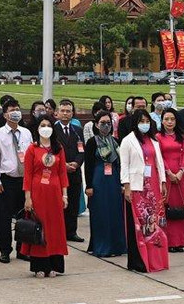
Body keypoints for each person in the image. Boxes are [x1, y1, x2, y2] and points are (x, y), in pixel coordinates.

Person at [119, 109, 169, 273]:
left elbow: (159, 162)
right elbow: (124, 165)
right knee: (140, 224)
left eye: (147, 121)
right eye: (141, 121)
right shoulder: (128, 141)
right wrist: (126, 186)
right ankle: (139, 261)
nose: (145, 124)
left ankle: (157, 260)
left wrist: (163, 182)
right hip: (137, 188)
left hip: (153, 186)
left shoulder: (154, 141)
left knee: (155, 223)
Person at [22, 114, 69, 277]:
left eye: (48, 125)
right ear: (37, 128)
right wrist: (28, 198)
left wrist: (64, 195)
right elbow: (27, 174)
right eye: (42, 125)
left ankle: (55, 264)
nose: (45, 128)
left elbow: (62, 173)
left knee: (55, 228)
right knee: (40, 227)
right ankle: (39, 266)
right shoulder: (32, 148)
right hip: (37, 193)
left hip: (55, 194)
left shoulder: (58, 148)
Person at [0, 99, 32, 264]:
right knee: (5, 218)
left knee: (24, 216)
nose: (16, 112)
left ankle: (22, 249)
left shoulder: (26, 133)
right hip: (6, 180)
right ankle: (5, 250)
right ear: (5, 114)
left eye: (17, 109)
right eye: (12, 110)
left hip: (24, 180)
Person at [84, 110, 127, 257]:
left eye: (108, 123)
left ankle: (116, 245)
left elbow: (120, 164)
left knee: (115, 212)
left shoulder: (116, 141)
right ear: (96, 124)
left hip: (113, 180)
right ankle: (102, 246)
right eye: (102, 123)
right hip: (98, 180)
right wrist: (89, 186)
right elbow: (88, 165)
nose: (106, 126)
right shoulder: (92, 142)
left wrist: (122, 183)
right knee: (100, 212)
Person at [157, 109, 184, 252]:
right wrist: (169, 172)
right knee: (167, 205)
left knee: (181, 204)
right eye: (166, 119)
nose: (170, 122)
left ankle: (182, 240)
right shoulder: (158, 137)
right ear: (162, 121)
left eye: (172, 119)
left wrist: (182, 171)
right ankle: (169, 241)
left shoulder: (181, 136)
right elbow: (159, 156)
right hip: (166, 175)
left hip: (180, 175)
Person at [54, 99, 85, 242]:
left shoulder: (77, 130)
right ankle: (59, 232)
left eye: (68, 111)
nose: (65, 114)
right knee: (59, 204)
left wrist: (76, 163)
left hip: (74, 172)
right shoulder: (53, 130)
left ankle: (72, 232)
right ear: (57, 113)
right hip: (58, 172)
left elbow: (81, 150)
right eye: (63, 111)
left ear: (72, 113)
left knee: (73, 203)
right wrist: (63, 165)